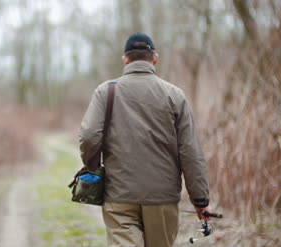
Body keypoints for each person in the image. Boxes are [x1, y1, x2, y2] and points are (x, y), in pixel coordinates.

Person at [79, 32, 212, 247]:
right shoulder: (174, 95)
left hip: (118, 194)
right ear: (155, 58)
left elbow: (88, 136)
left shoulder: (105, 92)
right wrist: (200, 200)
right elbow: (190, 151)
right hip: (162, 198)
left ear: (125, 59)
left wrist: (92, 166)